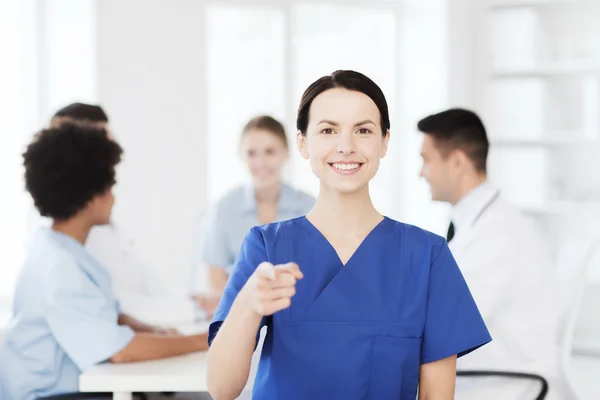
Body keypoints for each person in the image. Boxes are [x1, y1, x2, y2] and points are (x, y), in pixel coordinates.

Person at [206, 70, 492, 400]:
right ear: (302, 143)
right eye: (328, 130)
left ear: (385, 141)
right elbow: (221, 388)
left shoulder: (427, 257)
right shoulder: (267, 247)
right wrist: (247, 305)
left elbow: (436, 396)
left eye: (363, 130)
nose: (346, 146)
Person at [0, 122, 208, 400]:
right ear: (89, 197)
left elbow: (108, 314)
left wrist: (154, 331)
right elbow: (119, 351)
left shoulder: (59, 249)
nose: (113, 197)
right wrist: (205, 340)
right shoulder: (61, 267)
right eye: (109, 186)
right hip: (49, 395)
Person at [417, 108, 562, 399]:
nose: (421, 173)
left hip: (501, 384)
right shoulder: (484, 223)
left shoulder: (497, 237)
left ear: (457, 162)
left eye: (426, 160)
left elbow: (445, 323)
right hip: (487, 372)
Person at [48, 102, 209, 324]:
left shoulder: (103, 214)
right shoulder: (69, 229)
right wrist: (194, 311)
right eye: (100, 141)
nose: (110, 151)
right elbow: (115, 305)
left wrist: (192, 302)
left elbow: (142, 276)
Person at [197, 115, 315, 300]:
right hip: (240, 316)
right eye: (252, 153)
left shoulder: (310, 207)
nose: (261, 163)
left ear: (286, 153)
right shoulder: (224, 209)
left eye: (270, 152)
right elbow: (215, 280)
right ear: (241, 156)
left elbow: (320, 274)